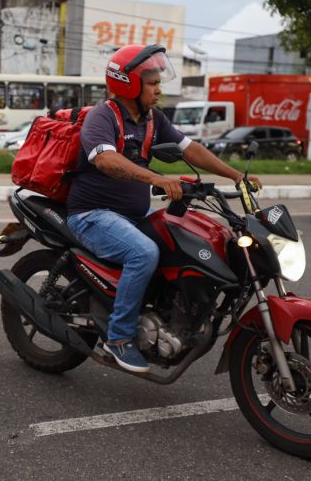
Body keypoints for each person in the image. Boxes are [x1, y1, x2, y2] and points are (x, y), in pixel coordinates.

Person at [65, 44, 261, 373]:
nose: (159, 89)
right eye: (153, 83)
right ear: (129, 84)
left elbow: (191, 149)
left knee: (187, 239)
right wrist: (156, 177)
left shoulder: (154, 119)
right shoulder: (104, 116)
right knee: (143, 253)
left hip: (132, 214)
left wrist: (236, 175)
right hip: (91, 214)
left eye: (158, 82)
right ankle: (120, 338)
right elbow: (105, 159)